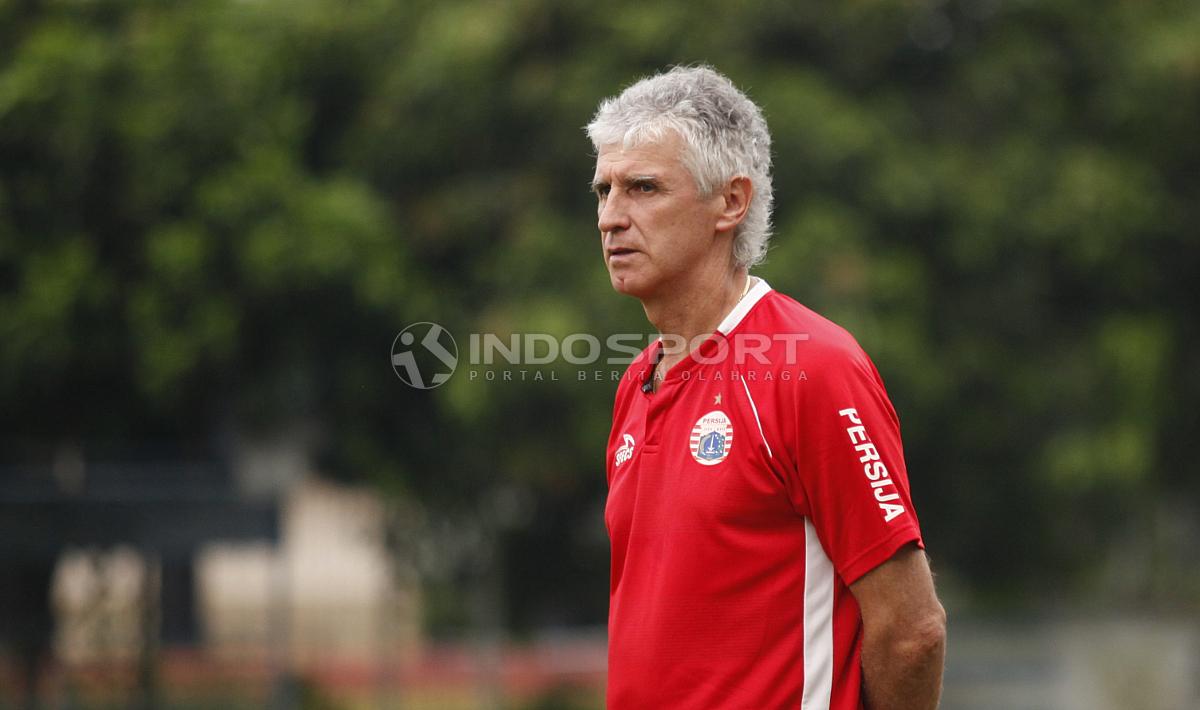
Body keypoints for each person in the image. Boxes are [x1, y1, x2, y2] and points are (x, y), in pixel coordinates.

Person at [587, 65, 947, 709]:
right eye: (604, 190)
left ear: (731, 202)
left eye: (642, 188)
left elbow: (912, 632)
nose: (611, 217)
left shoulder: (812, 367)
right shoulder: (636, 380)